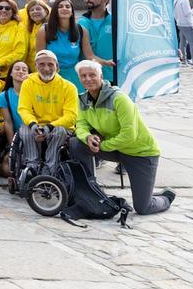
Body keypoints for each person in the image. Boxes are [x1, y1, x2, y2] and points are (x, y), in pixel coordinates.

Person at [68, 60, 174, 215]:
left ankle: (166, 197)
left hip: (140, 153)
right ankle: (90, 191)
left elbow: (129, 136)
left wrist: (102, 146)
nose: (88, 79)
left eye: (92, 75)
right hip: (115, 149)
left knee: (143, 208)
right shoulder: (82, 99)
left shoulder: (119, 99)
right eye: (83, 76)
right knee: (77, 143)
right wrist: (88, 137)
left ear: (101, 76)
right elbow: (81, 124)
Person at [16, 50, 78, 174]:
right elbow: (24, 109)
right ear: (36, 66)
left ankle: (50, 167)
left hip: (59, 128)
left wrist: (50, 126)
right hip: (37, 125)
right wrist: (33, 125)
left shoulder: (69, 87)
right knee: (24, 129)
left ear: (57, 67)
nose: (46, 68)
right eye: (42, 64)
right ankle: (32, 165)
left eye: (50, 64)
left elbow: (71, 116)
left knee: (59, 131)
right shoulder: (28, 84)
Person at [36, 0, 105, 91]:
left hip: (74, 77)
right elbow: (40, 58)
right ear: (55, 11)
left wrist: (106, 62)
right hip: (52, 76)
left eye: (67, 7)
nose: (64, 8)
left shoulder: (81, 30)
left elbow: (90, 56)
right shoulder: (44, 30)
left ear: (72, 12)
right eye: (60, 7)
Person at [0, 60, 29, 176]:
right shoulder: (4, 95)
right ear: (10, 73)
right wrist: (12, 146)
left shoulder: (34, 93)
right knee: (7, 170)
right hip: (16, 137)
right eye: (17, 69)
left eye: (24, 70)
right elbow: (8, 123)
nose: (21, 72)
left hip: (33, 134)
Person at [77, 0, 115, 83]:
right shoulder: (81, 22)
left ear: (105, 0)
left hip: (110, 74)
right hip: (88, 76)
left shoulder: (115, 21)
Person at [174, 0, 193, 68]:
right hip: (187, 24)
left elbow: (174, 12)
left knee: (182, 43)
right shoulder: (185, 0)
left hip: (179, 24)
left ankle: (184, 61)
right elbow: (187, 13)